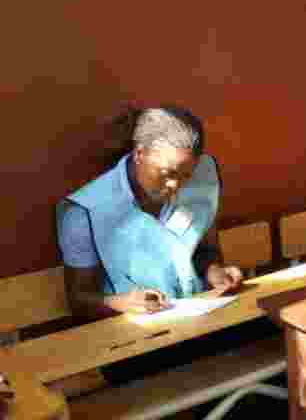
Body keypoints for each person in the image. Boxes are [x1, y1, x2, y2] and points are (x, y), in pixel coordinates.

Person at [56, 106, 272, 385]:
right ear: (139, 154)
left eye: (186, 175)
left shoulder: (203, 176)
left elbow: (203, 252)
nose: (176, 186)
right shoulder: (85, 211)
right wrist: (122, 303)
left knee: (271, 337)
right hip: (135, 344)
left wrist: (216, 273)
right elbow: (80, 300)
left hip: (201, 322)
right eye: (167, 173)